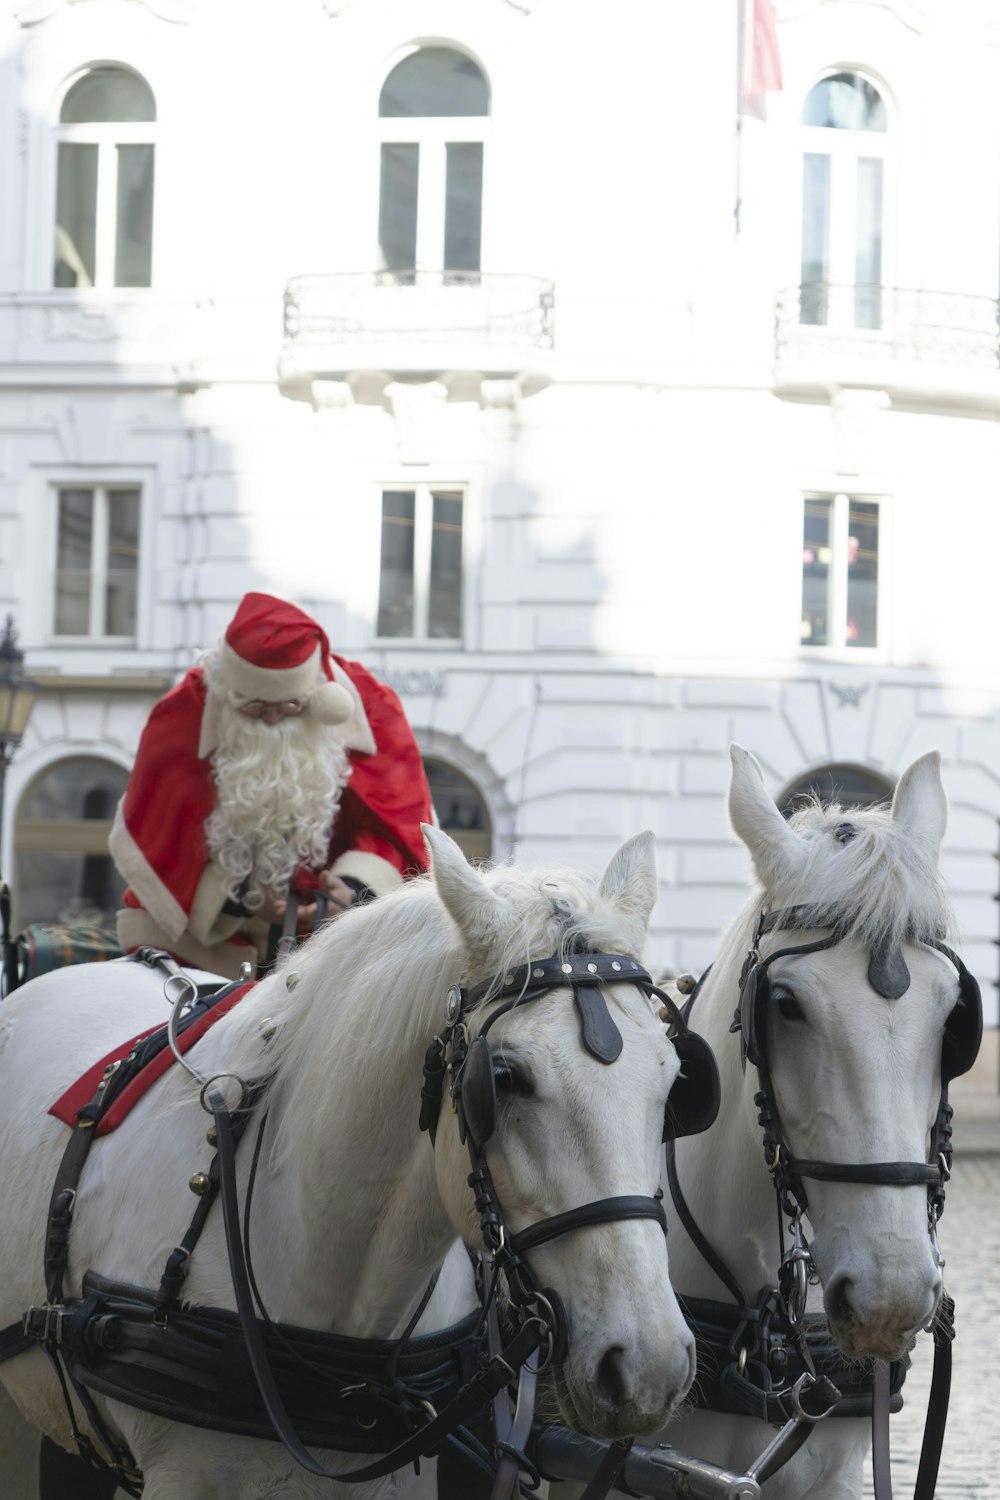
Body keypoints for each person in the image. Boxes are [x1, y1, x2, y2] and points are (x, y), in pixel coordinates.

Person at [109, 592, 433, 978]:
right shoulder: (183, 715)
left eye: (291, 707)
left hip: (338, 946)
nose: (273, 720)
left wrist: (350, 890)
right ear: (230, 693)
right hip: (203, 949)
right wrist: (243, 898)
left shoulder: (372, 706)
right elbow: (163, 839)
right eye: (255, 708)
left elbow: (396, 823)